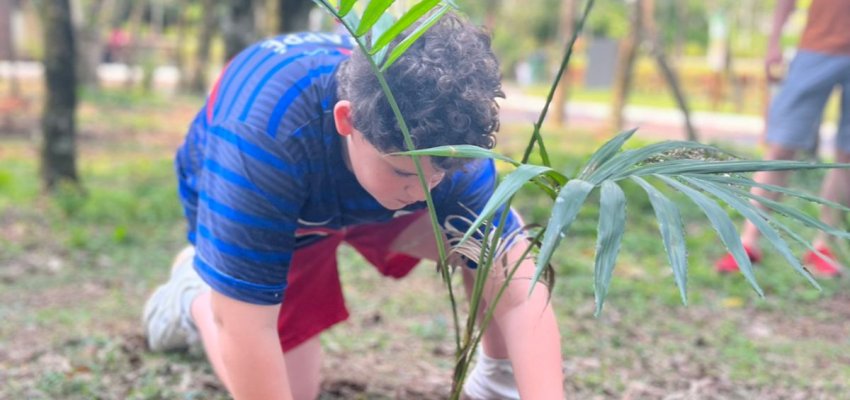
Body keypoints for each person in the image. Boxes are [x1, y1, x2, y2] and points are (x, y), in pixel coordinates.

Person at [142, 12, 565, 400]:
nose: (424, 192)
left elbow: (515, 288)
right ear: (348, 120)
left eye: (439, 175)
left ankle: (496, 380)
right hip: (283, 205)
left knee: (482, 243)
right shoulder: (262, 142)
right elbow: (246, 328)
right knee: (289, 386)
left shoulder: (445, 145)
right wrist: (228, 307)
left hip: (372, 194)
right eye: (404, 172)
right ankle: (194, 296)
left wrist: (515, 385)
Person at [715, 0, 850, 277]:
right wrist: (773, 42)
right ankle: (748, 241)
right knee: (781, 146)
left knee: (847, 156)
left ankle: (824, 246)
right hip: (816, 48)